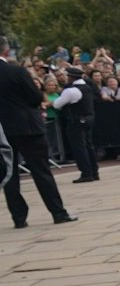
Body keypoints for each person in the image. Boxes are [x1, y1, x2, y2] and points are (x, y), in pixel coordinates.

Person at [0, 49, 76, 227]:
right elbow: (35, 97)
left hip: (3, 129)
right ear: (4, 50)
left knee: (9, 174)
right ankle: (58, 212)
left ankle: (19, 218)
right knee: (41, 171)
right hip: (28, 126)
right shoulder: (16, 71)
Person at [51, 67, 100, 183]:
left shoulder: (71, 90)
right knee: (88, 145)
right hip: (89, 118)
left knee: (79, 147)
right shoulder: (87, 87)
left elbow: (57, 104)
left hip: (76, 120)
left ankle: (86, 172)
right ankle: (94, 171)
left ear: (71, 77)